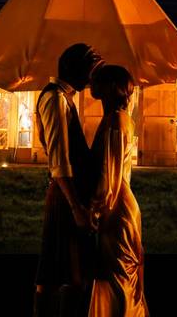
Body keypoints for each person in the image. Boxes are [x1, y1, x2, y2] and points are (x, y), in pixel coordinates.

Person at [34, 43, 104, 317]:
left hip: (70, 193)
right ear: (77, 69)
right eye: (91, 71)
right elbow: (60, 159)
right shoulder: (55, 99)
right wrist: (75, 206)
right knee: (58, 271)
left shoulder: (66, 97)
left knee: (63, 269)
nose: (92, 79)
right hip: (66, 195)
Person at [88, 65, 148, 317]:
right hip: (123, 204)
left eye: (97, 80)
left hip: (115, 209)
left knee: (116, 278)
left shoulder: (114, 121)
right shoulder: (122, 119)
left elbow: (107, 175)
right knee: (118, 277)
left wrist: (92, 209)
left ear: (111, 87)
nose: (91, 82)